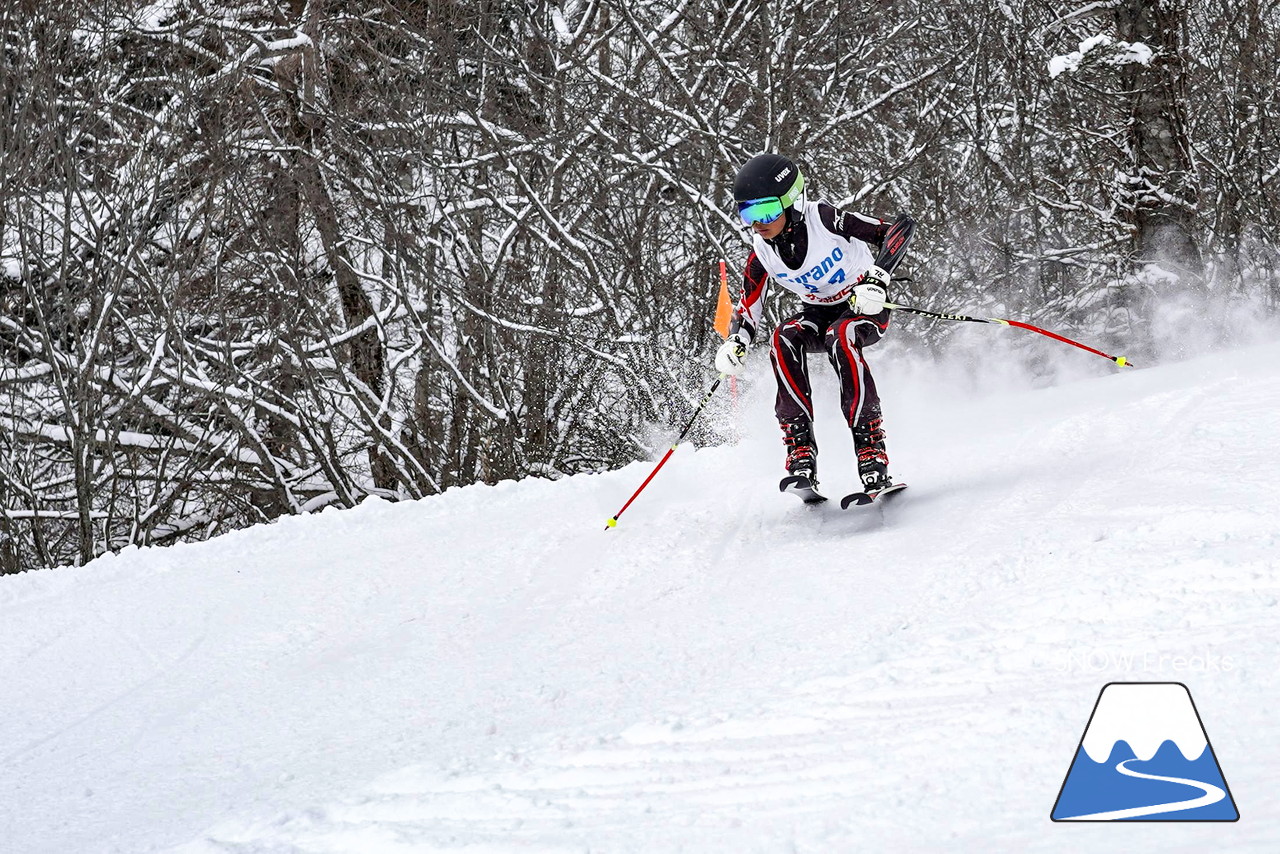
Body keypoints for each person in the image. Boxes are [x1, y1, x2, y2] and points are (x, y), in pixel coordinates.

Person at [714, 152, 916, 496]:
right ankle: (800, 452)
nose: (757, 224)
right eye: (747, 214)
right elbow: (749, 307)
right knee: (783, 338)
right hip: (818, 313)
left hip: (863, 307)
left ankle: (872, 453)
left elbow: (899, 227)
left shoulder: (824, 219)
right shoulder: (761, 251)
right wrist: (737, 341)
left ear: (791, 202)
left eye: (765, 211)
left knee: (842, 335)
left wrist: (877, 280)